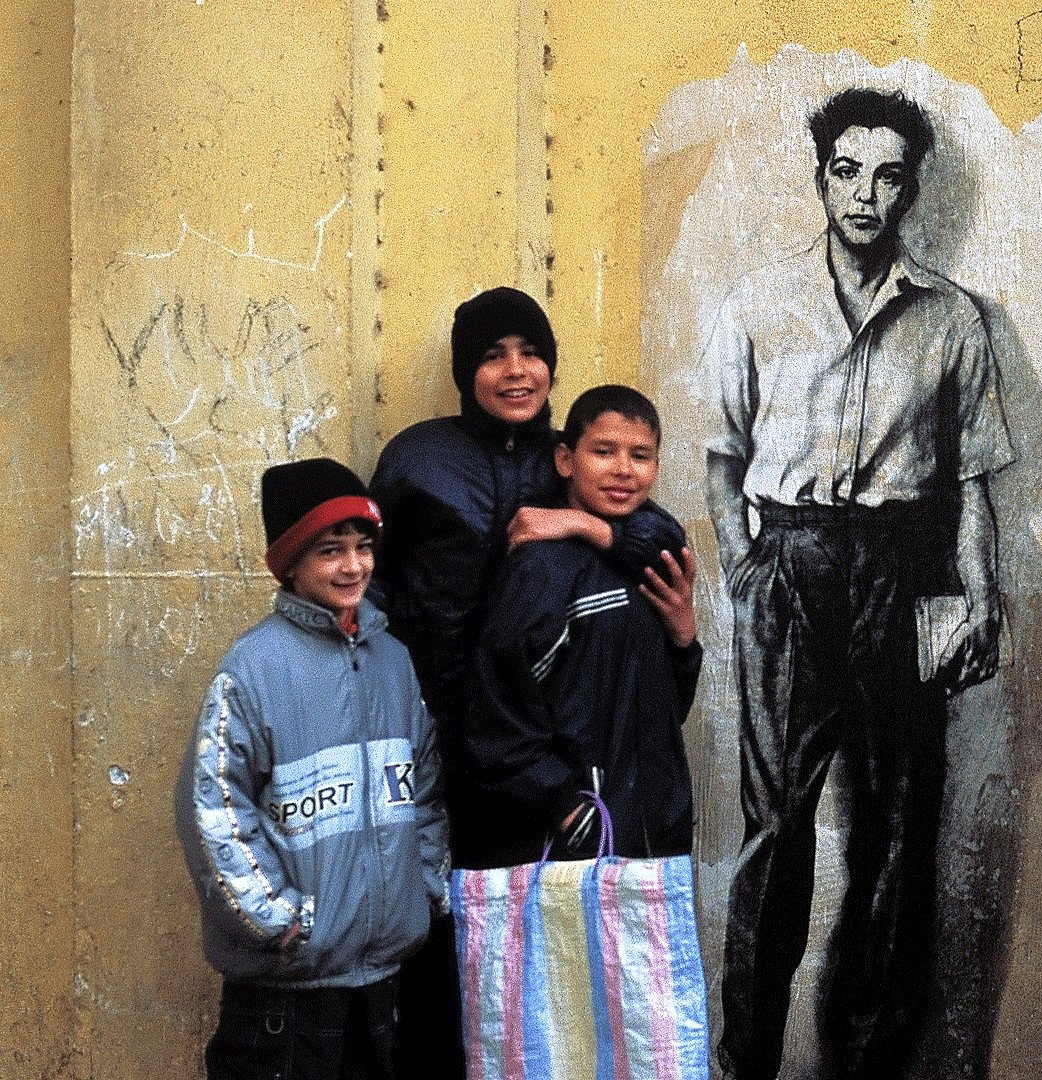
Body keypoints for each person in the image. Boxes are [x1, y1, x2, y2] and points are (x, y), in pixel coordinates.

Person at [703, 86, 1014, 1080]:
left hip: (904, 569)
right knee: (776, 831)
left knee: (897, 831)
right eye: (847, 171)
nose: (866, 194)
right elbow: (722, 458)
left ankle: (870, 1062)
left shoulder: (952, 318)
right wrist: (745, 569)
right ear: (821, 178)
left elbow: (971, 481)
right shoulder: (757, 304)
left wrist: (981, 598)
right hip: (789, 570)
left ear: (912, 187)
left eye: (888, 174)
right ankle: (743, 1059)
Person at [369, 286, 685, 1075]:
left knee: (526, 961)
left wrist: (581, 524)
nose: (515, 371)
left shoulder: (572, 454)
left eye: (531, 352)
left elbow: (657, 532)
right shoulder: (420, 457)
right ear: (462, 372)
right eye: (490, 356)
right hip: (437, 736)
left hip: (535, 750)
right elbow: (366, 577)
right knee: (437, 942)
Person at [175, 458, 447, 1080]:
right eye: (330, 550)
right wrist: (277, 917)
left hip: (381, 978)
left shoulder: (392, 662)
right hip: (288, 992)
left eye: (363, 547)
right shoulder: (252, 669)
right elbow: (214, 806)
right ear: (290, 561)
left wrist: (423, 886)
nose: (354, 566)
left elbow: (425, 786)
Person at [464, 385, 701, 868]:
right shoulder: (541, 568)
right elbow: (494, 707)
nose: (623, 470)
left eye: (641, 455)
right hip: (573, 842)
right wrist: (566, 807)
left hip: (653, 829)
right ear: (565, 460)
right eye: (603, 451)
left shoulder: (652, 566)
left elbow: (663, 710)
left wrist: (682, 642)